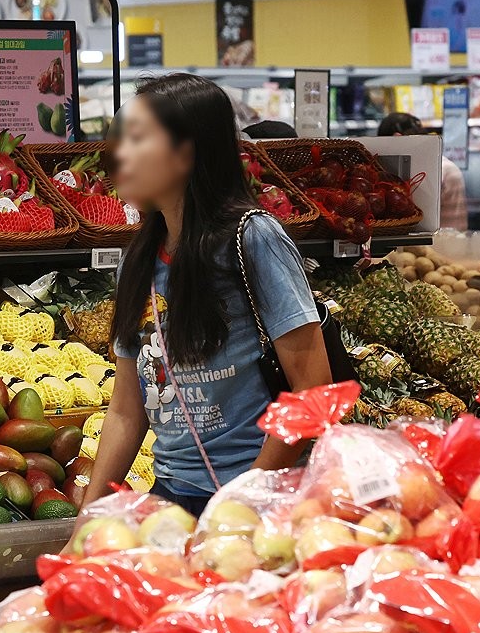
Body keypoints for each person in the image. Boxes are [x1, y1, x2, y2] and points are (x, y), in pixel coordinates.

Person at [82, 73, 333, 515]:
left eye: (136, 138)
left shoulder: (254, 239)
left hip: (262, 498)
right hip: (172, 497)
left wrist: (245, 504)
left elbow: (313, 388)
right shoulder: (136, 262)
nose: (118, 153)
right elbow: (126, 409)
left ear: (184, 153)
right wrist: (88, 518)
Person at [377, 112, 468, 231]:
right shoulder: (446, 167)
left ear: (397, 138)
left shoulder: (434, 170)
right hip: (450, 243)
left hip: (437, 245)